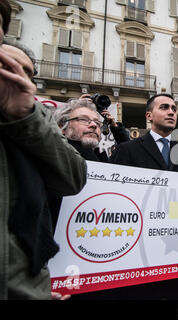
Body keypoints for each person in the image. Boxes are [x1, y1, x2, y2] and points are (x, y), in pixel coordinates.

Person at [0, 2, 87, 299]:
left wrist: (27, 117)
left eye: (26, 73)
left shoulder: (36, 121)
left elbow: (74, 178)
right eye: (6, 67)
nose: (16, 78)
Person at [110, 93, 178, 299]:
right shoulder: (127, 150)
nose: (171, 112)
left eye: (174, 109)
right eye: (164, 107)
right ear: (149, 115)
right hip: (141, 253)